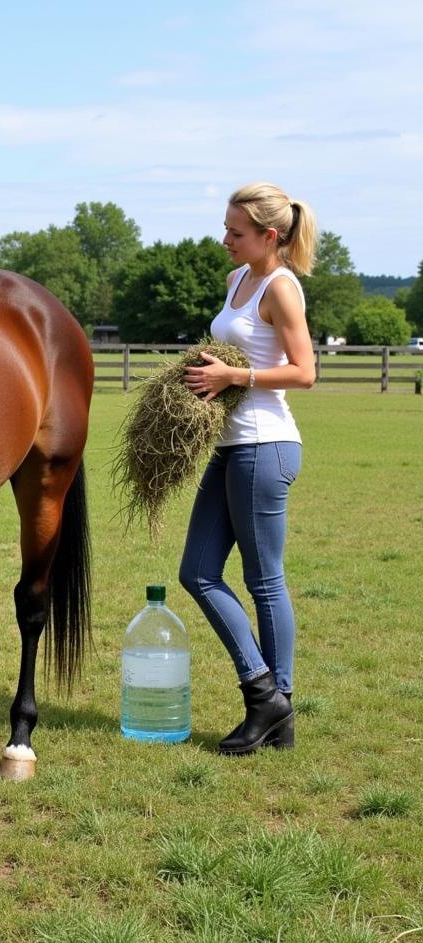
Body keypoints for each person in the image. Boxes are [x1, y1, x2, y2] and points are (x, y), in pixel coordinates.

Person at [179, 182, 317, 755]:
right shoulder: (238, 280)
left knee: (265, 583)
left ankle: (272, 704)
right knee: (197, 572)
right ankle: (269, 697)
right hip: (231, 445)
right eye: (226, 228)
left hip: (266, 445)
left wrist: (236, 378)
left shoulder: (282, 289)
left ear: (269, 236)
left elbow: (305, 371)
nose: (225, 240)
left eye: (236, 232)